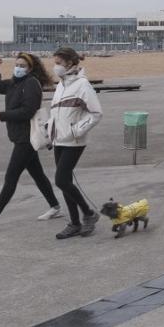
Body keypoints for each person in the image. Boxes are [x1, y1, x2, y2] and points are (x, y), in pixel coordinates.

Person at [0, 53, 63, 229]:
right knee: (38, 175)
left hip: (27, 138)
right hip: (20, 136)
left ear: (30, 68)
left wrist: (2, 115)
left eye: (22, 66)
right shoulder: (15, 83)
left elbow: (28, 111)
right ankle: (55, 206)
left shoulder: (31, 84)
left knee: (11, 177)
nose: (18, 68)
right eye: (17, 65)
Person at [48, 47, 104, 239]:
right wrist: (50, 132)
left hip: (74, 141)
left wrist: (75, 131)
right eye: (55, 63)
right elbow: (56, 113)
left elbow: (96, 113)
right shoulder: (61, 85)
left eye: (58, 63)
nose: (55, 67)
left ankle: (88, 213)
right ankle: (74, 223)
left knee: (61, 180)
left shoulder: (82, 85)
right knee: (65, 183)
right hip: (59, 140)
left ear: (70, 63)